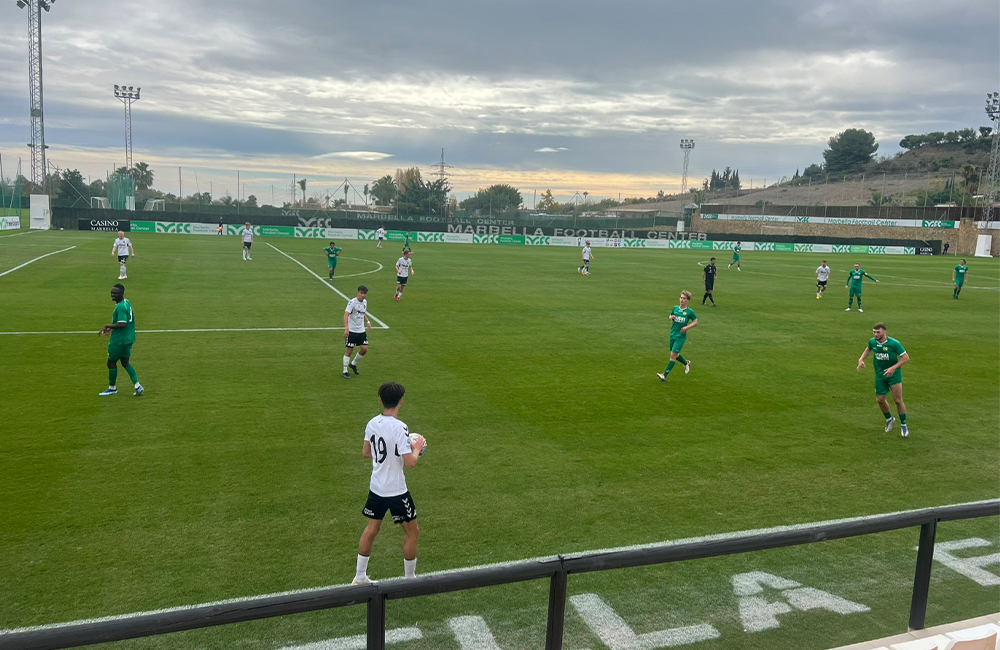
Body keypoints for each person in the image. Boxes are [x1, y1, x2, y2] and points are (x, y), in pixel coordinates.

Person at [353, 382, 426, 584]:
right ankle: (410, 579)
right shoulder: (400, 427)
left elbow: (366, 453)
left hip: (376, 487)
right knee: (412, 532)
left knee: (372, 528)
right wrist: (417, 448)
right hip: (396, 491)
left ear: (381, 400)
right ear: (400, 400)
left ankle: (360, 576)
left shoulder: (372, 423)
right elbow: (410, 463)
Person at [857, 322, 909, 437]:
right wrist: (861, 359)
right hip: (880, 375)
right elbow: (868, 349)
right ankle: (889, 419)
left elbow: (905, 357)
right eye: (874, 332)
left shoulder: (894, 343)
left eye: (878, 332)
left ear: (884, 332)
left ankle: (903, 424)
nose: (875, 334)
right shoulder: (872, 342)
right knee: (880, 400)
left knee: (897, 400)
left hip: (893, 375)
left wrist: (893, 368)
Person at [98, 284, 144, 397]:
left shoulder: (120, 307)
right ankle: (137, 385)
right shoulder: (126, 302)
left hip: (119, 341)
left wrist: (107, 326)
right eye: (112, 292)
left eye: (115, 293)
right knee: (125, 362)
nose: (113, 295)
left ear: (122, 293)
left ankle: (112, 388)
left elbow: (122, 323)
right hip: (128, 339)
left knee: (111, 363)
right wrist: (112, 328)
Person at [657, 290, 697, 382]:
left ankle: (664, 375)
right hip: (672, 334)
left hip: (680, 336)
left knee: (672, 355)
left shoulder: (689, 312)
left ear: (687, 300)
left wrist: (687, 327)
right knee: (675, 354)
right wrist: (671, 317)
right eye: (681, 298)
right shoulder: (675, 308)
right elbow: (671, 315)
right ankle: (686, 363)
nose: (682, 300)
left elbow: (695, 322)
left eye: (684, 298)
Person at [343, 286, 372, 379]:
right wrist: (347, 328)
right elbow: (346, 315)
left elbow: (362, 313)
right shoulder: (352, 303)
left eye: (365, 294)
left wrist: (367, 322)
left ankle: (353, 364)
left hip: (361, 331)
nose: (363, 295)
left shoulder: (365, 302)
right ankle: (345, 371)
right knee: (349, 351)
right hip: (352, 331)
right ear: (358, 293)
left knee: (364, 349)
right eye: (361, 293)